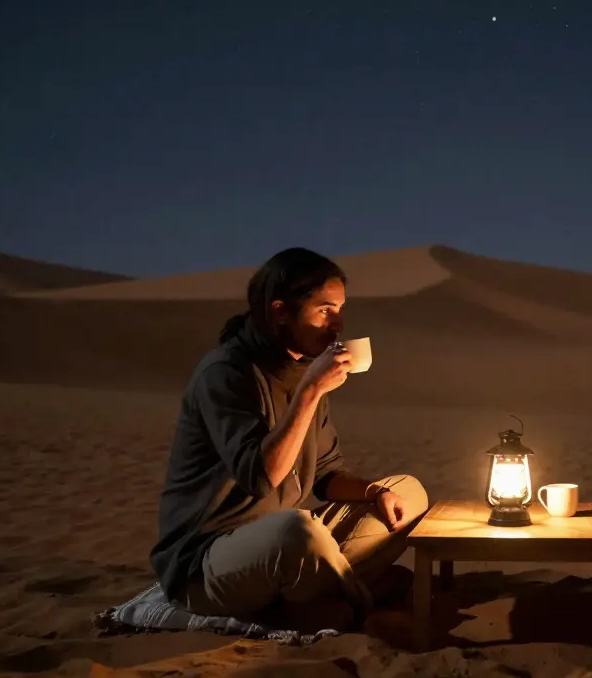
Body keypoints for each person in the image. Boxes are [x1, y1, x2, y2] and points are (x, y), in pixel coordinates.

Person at [149, 247, 428, 629]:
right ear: (281, 312)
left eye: (340, 309)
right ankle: (355, 600)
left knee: (409, 492)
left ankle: (314, 592)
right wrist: (311, 391)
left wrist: (374, 493)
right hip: (207, 560)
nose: (338, 324)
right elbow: (263, 477)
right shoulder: (226, 374)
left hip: (280, 545)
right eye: (325, 310)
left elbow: (326, 475)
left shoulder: (305, 370)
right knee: (296, 532)